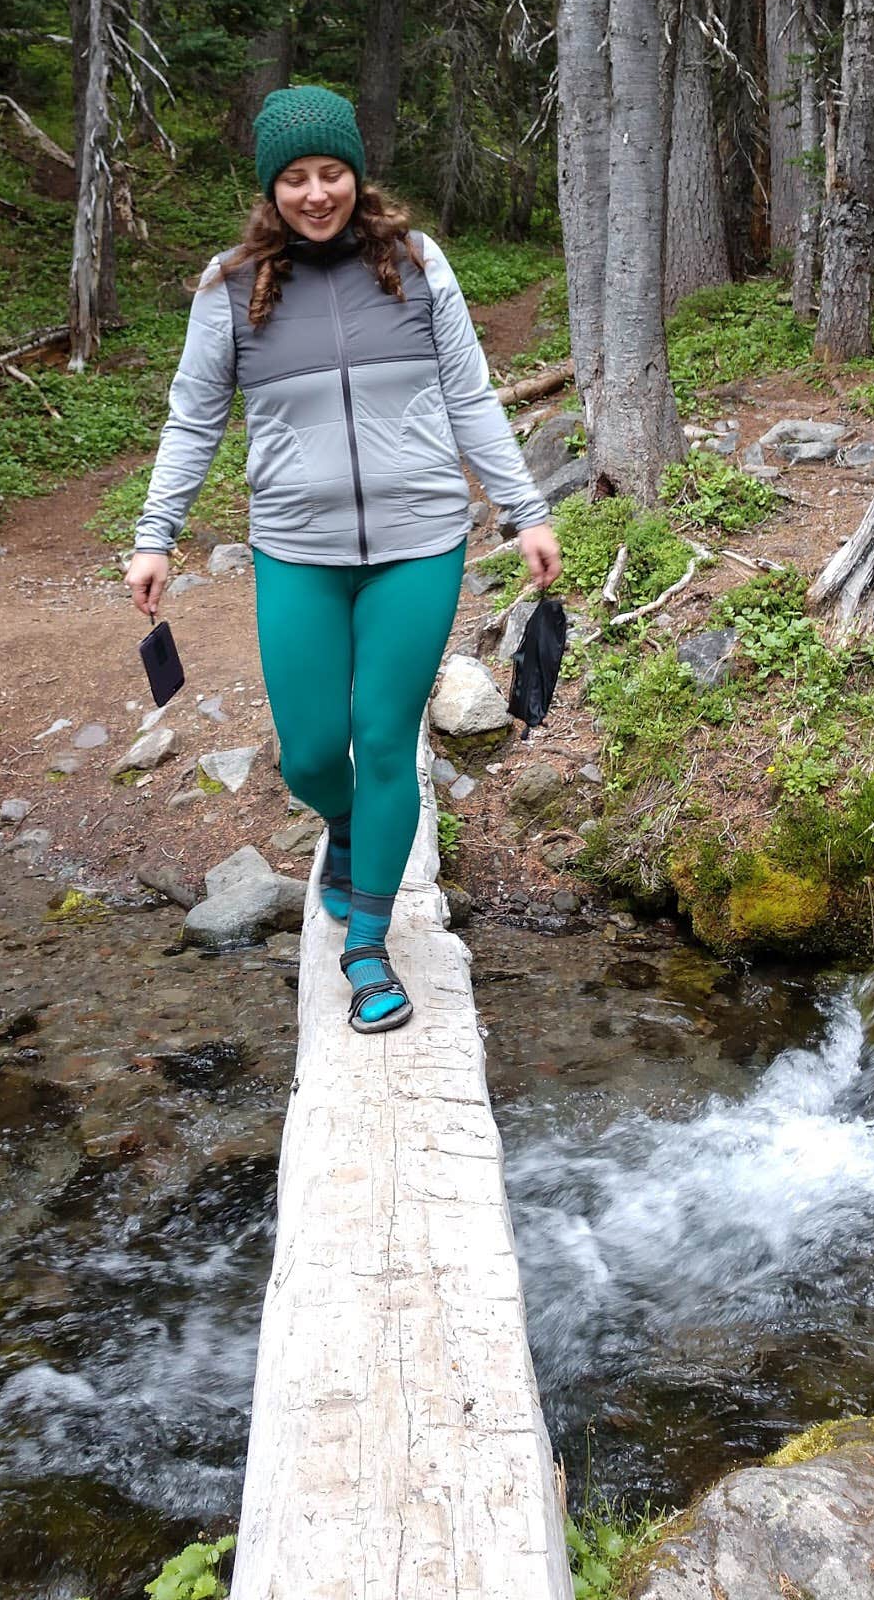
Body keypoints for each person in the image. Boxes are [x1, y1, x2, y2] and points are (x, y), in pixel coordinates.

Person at [123, 84, 562, 1034]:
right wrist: (156, 532)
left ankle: (368, 944)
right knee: (316, 752)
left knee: (386, 735)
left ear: (356, 177)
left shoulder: (413, 261)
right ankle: (351, 830)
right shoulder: (230, 286)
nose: (316, 193)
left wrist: (523, 511)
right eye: (295, 178)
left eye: (332, 173)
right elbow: (194, 417)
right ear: (269, 189)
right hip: (297, 550)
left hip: (419, 543)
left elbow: (472, 395)